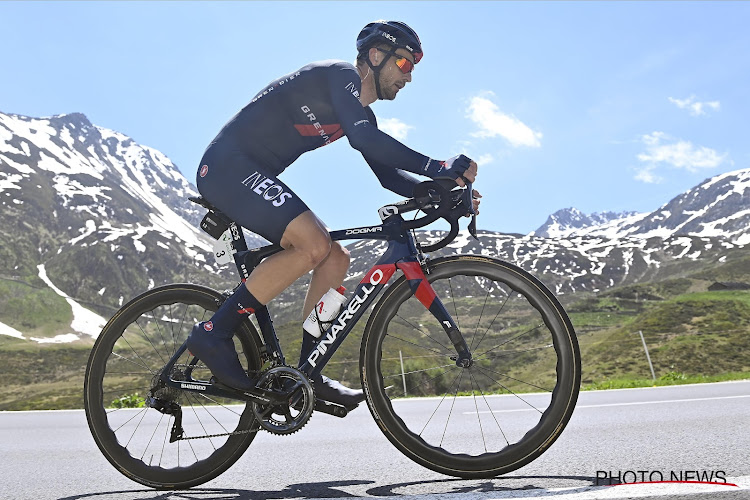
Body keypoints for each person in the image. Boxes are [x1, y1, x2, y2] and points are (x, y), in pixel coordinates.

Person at [188, 20, 480, 408]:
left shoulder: (357, 116)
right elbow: (366, 140)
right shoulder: (341, 77)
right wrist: (438, 164)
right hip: (227, 167)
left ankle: (308, 369)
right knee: (313, 244)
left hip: (247, 174)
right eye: (405, 64)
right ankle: (213, 332)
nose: (409, 77)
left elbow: (389, 175)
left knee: (335, 256)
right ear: (376, 56)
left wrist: (443, 192)